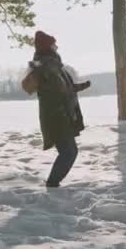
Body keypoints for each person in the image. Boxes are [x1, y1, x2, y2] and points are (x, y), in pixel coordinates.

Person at [28, 31, 90, 187]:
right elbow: (58, 90)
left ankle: (53, 183)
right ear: (48, 47)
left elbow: (64, 88)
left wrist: (80, 86)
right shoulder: (47, 66)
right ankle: (52, 184)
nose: (56, 47)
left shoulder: (54, 65)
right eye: (53, 44)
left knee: (69, 151)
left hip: (61, 116)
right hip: (56, 117)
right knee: (69, 152)